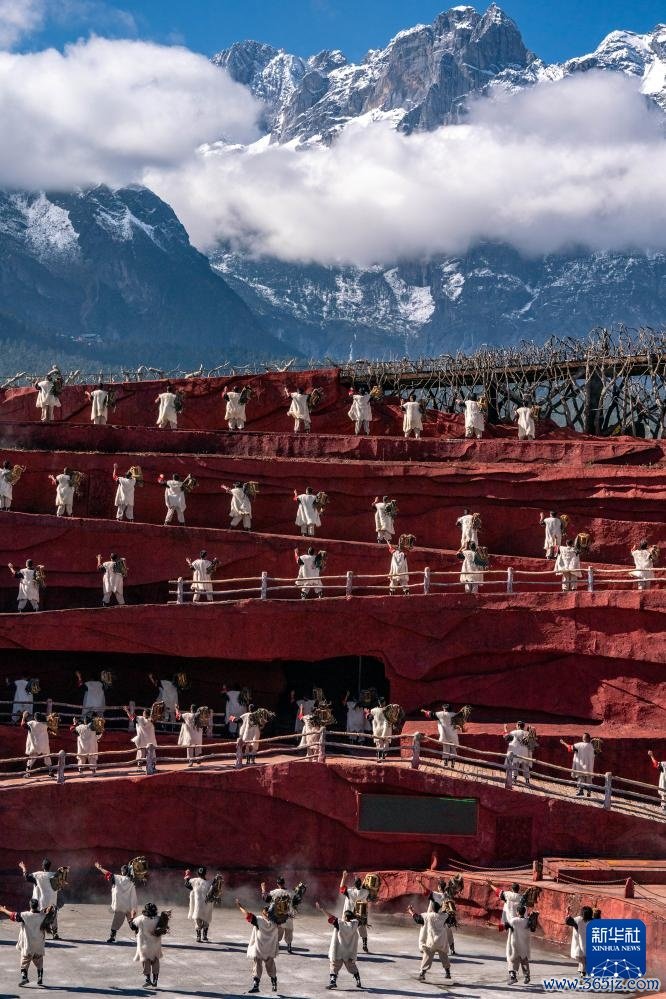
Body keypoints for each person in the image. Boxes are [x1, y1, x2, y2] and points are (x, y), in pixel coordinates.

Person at [0, 898, 53, 987]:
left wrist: (3, 910)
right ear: (38, 906)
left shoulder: (25, 915)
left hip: (28, 945)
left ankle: (24, 978)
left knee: (24, 961)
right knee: (39, 961)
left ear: (30, 905)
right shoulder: (43, 916)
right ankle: (40, 977)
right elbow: (45, 913)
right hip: (39, 944)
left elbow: (13, 915)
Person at [235, 896, 279, 994]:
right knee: (271, 966)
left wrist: (240, 906)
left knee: (257, 966)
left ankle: (256, 986)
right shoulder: (275, 923)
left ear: (265, 913)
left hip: (259, 949)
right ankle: (274, 984)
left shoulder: (260, 920)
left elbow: (247, 915)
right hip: (270, 949)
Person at [316, 901, 363, 990]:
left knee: (334, 966)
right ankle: (358, 981)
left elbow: (330, 917)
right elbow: (360, 920)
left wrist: (322, 909)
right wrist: (357, 915)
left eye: (343, 916)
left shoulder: (340, 924)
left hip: (339, 950)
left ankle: (333, 982)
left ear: (345, 917)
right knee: (352, 967)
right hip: (349, 951)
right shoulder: (355, 924)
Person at [407, 902, 452, 983]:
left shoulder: (427, 916)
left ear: (432, 908)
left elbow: (418, 919)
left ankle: (422, 974)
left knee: (427, 956)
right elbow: (451, 921)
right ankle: (448, 973)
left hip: (431, 942)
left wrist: (411, 912)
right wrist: (449, 911)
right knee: (444, 956)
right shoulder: (444, 916)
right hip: (441, 941)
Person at [94, 861, 138, 942]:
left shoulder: (117, 878)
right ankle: (139, 935)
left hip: (120, 906)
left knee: (116, 923)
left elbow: (108, 874)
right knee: (133, 923)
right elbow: (133, 897)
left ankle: (112, 937)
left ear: (122, 872)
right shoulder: (131, 882)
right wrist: (133, 909)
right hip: (129, 906)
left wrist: (100, 868)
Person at [130, 902, 167, 988]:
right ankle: (155, 979)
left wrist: (132, 916)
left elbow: (132, 927)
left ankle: (148, 979)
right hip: (155, 944)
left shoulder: (140, 919)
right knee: (155, 960)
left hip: (144, 945)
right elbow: (163, 929)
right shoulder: (158, 919)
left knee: (145, 960)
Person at [19, 858, 60, 938]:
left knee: (39, 917)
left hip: (41, 902)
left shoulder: (38, 875)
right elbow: (60, 884)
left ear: (42, 866)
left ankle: (39, 933)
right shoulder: (55, 875)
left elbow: (26, 877)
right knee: (53, 916)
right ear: (50, 866)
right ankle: (55, 933)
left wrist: (23, 867)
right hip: (52, 901)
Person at [261, 877, 295, 953]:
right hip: (289, 916)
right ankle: (289, 946)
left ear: (277, 884)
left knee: (279, 932)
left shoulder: (274, 892)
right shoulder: (291, 892)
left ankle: (276, 945)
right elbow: (296, 903)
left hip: (279, 917)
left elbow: (266, 899)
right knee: (289, 931)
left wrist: (263, 889)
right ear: (284, 883)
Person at [339, 871, 370, 953]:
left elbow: (341, 888)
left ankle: (346, 946)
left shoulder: (350, 891)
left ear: (354, 884)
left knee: (347, 930)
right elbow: (367, 894)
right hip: (360, 913)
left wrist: (344, 877)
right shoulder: (366, 892)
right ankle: (365, 944)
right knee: (362, 928)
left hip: (349, 914)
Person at [505, 903, 536, 985]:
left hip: (515, 944)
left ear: (517, 912)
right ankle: (527, 976)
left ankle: (513, 977)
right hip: (524, 944)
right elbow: (532, 929)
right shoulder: (528, 921)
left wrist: (492, 924)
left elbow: (505, 926)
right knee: (524, 960)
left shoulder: (514, 920)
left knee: (512, 960)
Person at [184, 866, 216, 942]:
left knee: (198, 919)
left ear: (198, 873)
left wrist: (187, 875)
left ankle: (199, 936)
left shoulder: (194, 881)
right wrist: (215, 882)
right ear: (205, 873)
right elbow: (214, 891)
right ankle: (204, 935)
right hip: (207, 904)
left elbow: (187, 884)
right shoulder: (209, 883)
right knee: (206, 919)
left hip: (198, 904)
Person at [21, 712, 53, 778]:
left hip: (35, 745)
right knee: (47, 758)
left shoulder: (31, 723)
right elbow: (51, 730)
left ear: (35, 718)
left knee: (31, 759)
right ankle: (50, 771)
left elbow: (23, 725)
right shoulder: (45, 725)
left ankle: (27, 773)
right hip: (44, 744)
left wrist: (23, 717)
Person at [565, 904, 593, 976]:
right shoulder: (592, 921)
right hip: (589, 944)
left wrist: (567, 912)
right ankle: (582, 970)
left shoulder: (578, 920)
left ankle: (583, 972)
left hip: (579, 944)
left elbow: (568, 921)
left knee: (582, 960)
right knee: (584, 960)